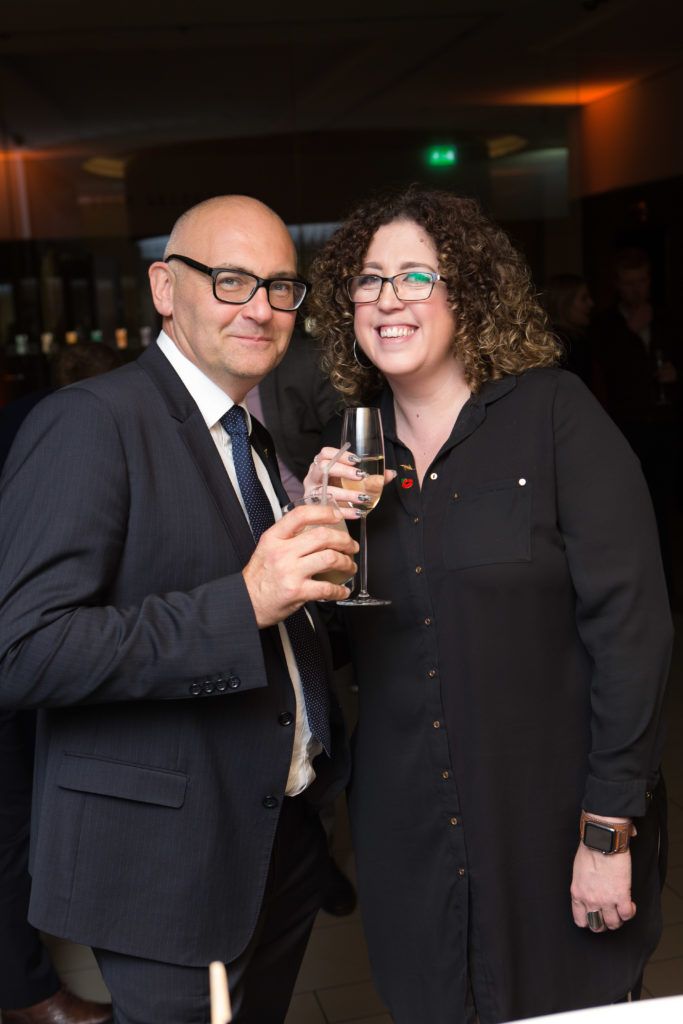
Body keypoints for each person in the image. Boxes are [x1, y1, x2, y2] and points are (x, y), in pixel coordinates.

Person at [304, 186, 671, 1023]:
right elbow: (331, 648)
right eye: (368, 279)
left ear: (467, 293)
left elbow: (633, 632)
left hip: (550, 822)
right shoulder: (351, 459)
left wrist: (606, 831)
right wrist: (313, 537)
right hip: (409, 834)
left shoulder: (553, 416)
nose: (387, 298)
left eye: (414, 276)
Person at [0, 195, 358, 1024]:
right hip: (166, 860)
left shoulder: (248, 433)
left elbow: (272, 614)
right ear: (165, 287)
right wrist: (244, 601)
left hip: (277, 837)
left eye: (280, 287)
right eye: (231, 281)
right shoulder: (89, 422)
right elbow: (22, 650)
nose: (261, 309)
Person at [0, 343, 122, 1024]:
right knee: (9, 821)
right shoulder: (67, 427)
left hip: (21, 636)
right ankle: (26, 994)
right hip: (15, 641)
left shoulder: (22, 416)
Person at [244, 332, 357, 916]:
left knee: (317, 706)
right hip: (251, 561)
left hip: (311, 533)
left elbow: (357, 429)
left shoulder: (304, 361)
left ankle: (323, 860)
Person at [591, 247, 681, 596]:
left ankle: (667, 588)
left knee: (664, 508)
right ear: (617, 285)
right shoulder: (607, 324)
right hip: (625, 428)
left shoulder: (667, 317)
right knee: (630, 510)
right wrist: (630, 331)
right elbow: (607, 371)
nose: (636, 289)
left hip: (664, 425)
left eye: (641, 281)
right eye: (628, 283)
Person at [542, 272, 595, 384]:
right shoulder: (560, 345)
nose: (591, 303)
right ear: (564, 303)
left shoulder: (579, 338)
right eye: (583, 299)